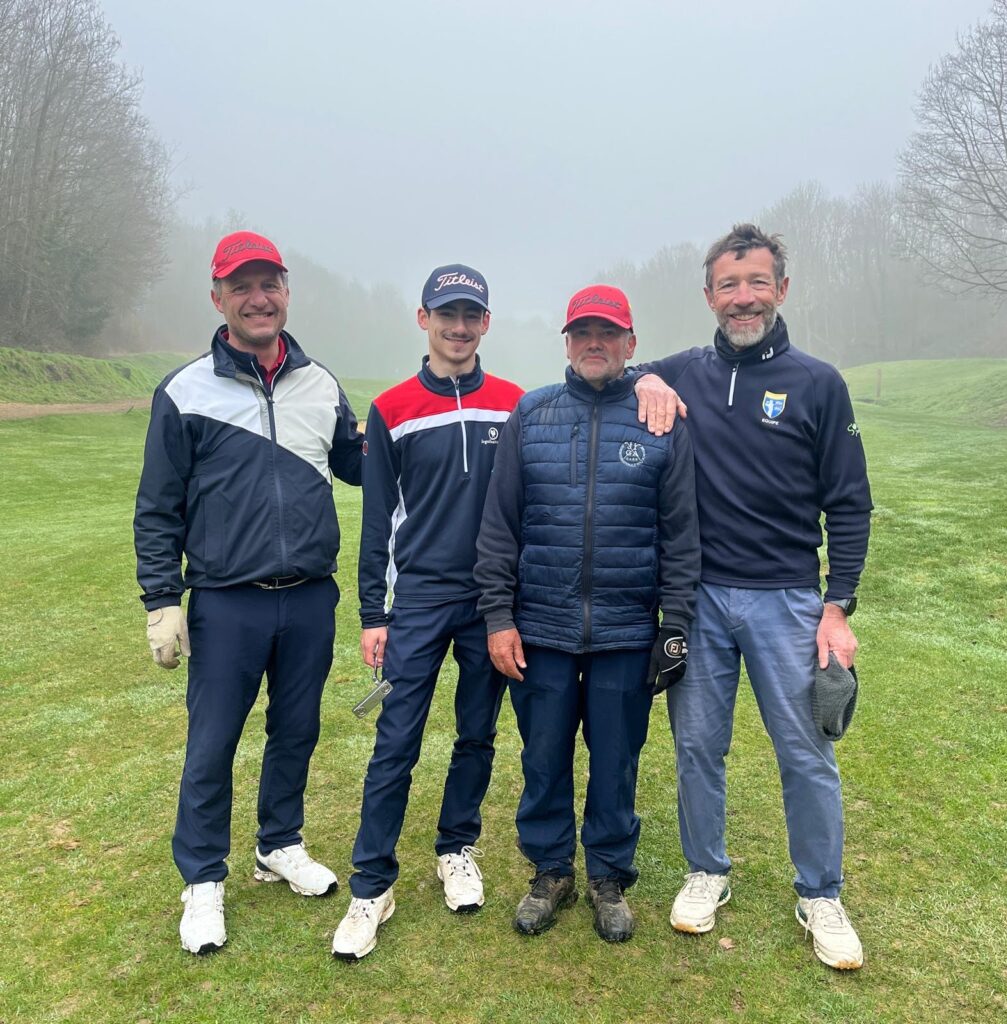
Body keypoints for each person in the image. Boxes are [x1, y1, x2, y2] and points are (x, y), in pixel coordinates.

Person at [634, 223, 872, 970]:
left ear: (782, 289)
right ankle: (706, 870)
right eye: (729, 285)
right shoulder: (682, 371)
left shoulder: (818, 383)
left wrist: (837, 605)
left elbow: (850, 503)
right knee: (697, 746)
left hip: (788, 600)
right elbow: (612, 367)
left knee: (805, 752)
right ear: (709, 295)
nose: (744, 298)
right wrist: (644, 380)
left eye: (757, 283)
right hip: (698, 599)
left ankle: (820, 892)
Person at [134, 231, 363, 956]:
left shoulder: (320, 384)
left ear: (287, 292)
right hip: (228, 600)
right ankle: (203, 878)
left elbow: (360, 463)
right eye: (241, 287)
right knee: (213, 743)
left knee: (296, 730)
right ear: (218, 299)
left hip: (310, 596)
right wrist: (161, 600)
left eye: (269, 285)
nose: (258, 299)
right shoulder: (184, 391)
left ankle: (279, 843)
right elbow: (157, 507)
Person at [474, 286, 701, 943]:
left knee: (616, 761)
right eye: (581, 333)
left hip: (625, 632)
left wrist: (675, 624)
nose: (593, 343)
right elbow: (499, 527)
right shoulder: (533, 413)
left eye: (608, 333)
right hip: (540, 629)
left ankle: (607, 874)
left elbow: (680, 536)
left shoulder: (660, 420)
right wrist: (498, 617)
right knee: (543, 757)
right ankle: (551, 871)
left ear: (631, 344)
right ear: (567, 342)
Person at [331, 264, 524, 961]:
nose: (459, 327)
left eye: (471, 315)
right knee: (396, 742)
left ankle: (455, 847)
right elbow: (378, 519)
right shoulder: (391, 408)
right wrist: (372, 613)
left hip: (490, 603)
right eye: (447, 315)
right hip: (416, 601)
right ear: (424, 319)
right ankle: (371, 884)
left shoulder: (514, 403)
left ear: (486, 323)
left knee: (478, 733)